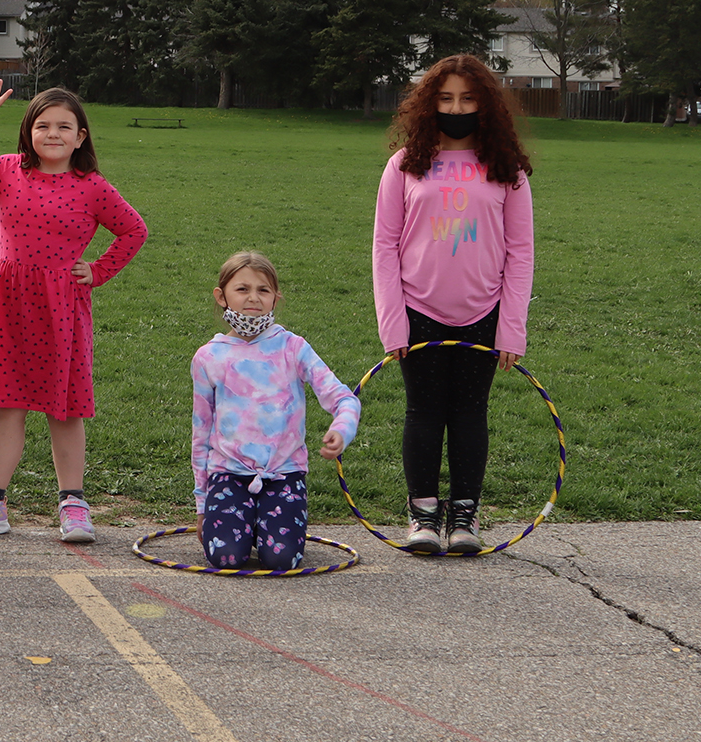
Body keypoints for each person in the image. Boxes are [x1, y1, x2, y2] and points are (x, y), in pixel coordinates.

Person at [0, 84, 147, 543]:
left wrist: (99, 270)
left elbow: (133, 230)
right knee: (6, 406)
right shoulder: (8, 170)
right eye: (42, 125)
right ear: (28, 132)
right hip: (11, 303)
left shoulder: (93, 188)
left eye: (63, 126)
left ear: (81, 137)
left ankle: (73, 505)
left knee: (64, 409)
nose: (52, 133)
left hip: (62, 306)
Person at [373, 54, 534, 554]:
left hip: (482, 313)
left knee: (469, 414)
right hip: (418, 310)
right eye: (446, 98)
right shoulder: (405, 165)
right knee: (423, 411)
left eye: (467, 98)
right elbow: (384, 245)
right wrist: (392, 322)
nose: (457, 107)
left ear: (485, 104)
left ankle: (464, 516)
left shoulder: (507, 170)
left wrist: (511, 328)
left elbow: (521, 252)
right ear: (429, 104)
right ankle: (423, 515)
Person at [192, 251, 361, 571]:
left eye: (263, 290)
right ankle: (241, 525)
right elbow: (200, 433)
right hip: (228, 475)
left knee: (281, 559)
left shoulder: (293, 348)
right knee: (225, 557)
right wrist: (203, 505)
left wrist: (342, 430)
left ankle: (263, 525)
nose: (253, 298)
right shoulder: (209, 357)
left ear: (275, 298)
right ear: (221, 296)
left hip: (284, 475)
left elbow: (345, 399)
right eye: (242, 289)